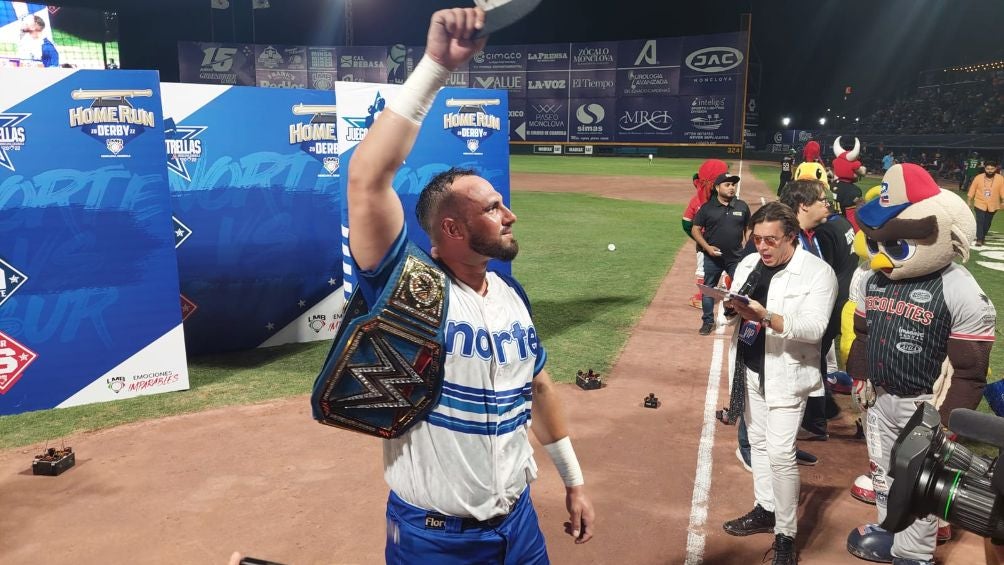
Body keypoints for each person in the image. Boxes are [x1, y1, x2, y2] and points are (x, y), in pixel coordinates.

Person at [330, 7, 595, 563]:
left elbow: (539, 389)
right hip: (436, 541)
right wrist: (435, 66)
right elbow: (366, 177)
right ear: (451, 228)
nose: (510, 215)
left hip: (519, 527)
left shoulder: (509, 295)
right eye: (493, 207)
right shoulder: (405, 287)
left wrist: (572, 480)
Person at [846, 164, 996, 565]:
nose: (880, 258)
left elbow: (969, 368)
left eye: (893, 247)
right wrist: (859, 375)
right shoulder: (870, 278)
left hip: (925, 403)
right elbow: (863, 333)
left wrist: (945, 418)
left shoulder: (958, 287)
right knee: (884, 473)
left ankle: (914, 554)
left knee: (919, 481)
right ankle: (891, 529)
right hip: (879, 396)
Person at [720, 201, 837, 565]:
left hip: (786, 373)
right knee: (756, 441)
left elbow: (814, 328)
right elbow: (731, 306)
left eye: (771, 240)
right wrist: (729, 307)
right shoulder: (750, 264)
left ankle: (785, 533)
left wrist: (766, 316)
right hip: (749, 367)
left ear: (791, 236)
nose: (763, 247)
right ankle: (765, 508)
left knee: (781, 453)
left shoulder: (817, 273)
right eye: (757, 239)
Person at [691, 172, 751, 335]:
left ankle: (736, 315)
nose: (732, 188)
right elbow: (695, 229)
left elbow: (748, 228)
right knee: (708, 290)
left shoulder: (742, 206)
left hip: (736, 257)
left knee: (742, 289)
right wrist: (707, 247)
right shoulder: (707, 208)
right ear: (718, 188)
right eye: (727, 184)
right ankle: (708, 321)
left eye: (733, 185)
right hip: (712, 257)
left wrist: (749, 248)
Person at [682, 160, 729, 309]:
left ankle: (705, 296)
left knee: (703, 268)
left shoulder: (697, 201)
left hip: (704, 244)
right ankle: (721, 290)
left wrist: (699, 238)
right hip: (726, 242)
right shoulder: (728, 200)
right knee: (727, 265)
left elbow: (686, 222)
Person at [967, 159, 1004, 247]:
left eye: (992, 169)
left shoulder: (1000, 178)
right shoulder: (978, 177)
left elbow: (1003, 190)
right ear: (984, 168)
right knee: (980, 221)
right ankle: (979, 239)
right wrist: (969, 201)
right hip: (980, 203)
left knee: (987, 222)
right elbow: (972, 189)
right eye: (988, 169)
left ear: (995, 169)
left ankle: (982, 237)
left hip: (993, 204)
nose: (989, 171)